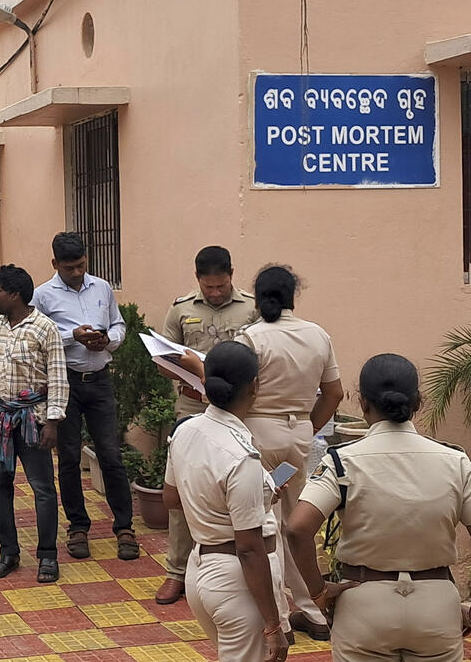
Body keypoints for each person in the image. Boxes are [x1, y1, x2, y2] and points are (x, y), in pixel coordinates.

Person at [181, 264, 343, 641]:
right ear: (292, 295)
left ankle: (281, 618)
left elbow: (233, 386)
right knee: (294, 520)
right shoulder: (318, 334)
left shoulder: (251, 337)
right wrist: (307, 428)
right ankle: (313, 610)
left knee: (264, 523)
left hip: (255, 439)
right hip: (296, 441)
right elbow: (333, 393)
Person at [287, 354, 471, 661]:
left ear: (362, 402)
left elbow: (297, 528)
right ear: (418, 402)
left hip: (364, 603)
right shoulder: (455, 461)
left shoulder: (341, 460)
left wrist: (318, 591)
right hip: (436, 603)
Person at [163, 341, 288, 662]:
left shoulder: (185, 430)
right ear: (254, 386)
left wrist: (256, 497)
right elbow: (249, 547)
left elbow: (172, 498)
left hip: (200, 570)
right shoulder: (241, 456)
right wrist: (274, 625)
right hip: (238, 583)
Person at [155, 246, 258, 605]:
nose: (215, 293)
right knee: (185, 490)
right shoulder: (181, 308)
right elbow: (163, 358)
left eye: (221, 285)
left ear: (232, 274)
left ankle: (245, 565)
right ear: (197, 279)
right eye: (209, 287)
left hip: (241, 411)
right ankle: (176, 571)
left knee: (241, 487)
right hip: (192, 408)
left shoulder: (252, 308)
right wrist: (186, 373)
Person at [32, 232, 139, 562]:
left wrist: (107, 340)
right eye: (69, 268)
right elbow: (37, 337)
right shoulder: (43, 295)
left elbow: (119, 325)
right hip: (65, 384)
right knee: (68, 457)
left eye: (81, 265)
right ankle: (77, 526)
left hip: (100, 381)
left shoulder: (102, 288)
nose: (77, 273)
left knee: (110, 454)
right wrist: (72, 337)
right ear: (55, 264)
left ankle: (124, 527)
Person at [0, 265, 69, 584]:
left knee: (42, 489)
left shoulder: (45, 328)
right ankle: (8, 553)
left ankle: (47, 556)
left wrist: (53, 422)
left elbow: (58, 377)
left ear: (15, 295)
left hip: (34, 421)